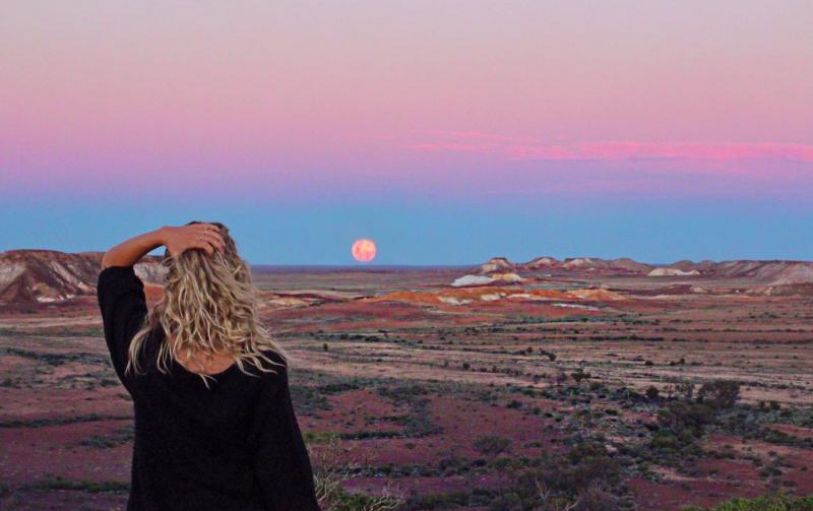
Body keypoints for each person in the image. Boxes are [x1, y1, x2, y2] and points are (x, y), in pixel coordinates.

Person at [96, 220, 322, 511]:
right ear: (235, 274)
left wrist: (163, 235)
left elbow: (113, 266)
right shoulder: (261, 369)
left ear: (174, 280)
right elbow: (286, 479)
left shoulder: (144, 356)